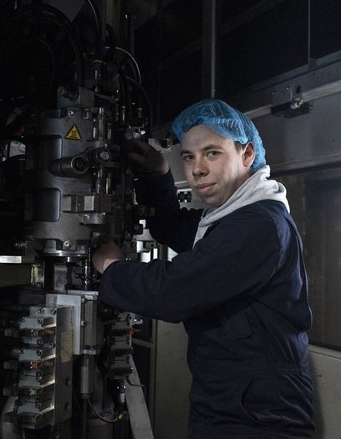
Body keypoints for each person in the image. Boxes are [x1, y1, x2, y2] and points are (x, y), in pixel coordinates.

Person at [92, 98, 314, 438]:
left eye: (212, 153)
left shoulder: (259, 225)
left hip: (259, 414)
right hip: (233, 397)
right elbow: (169, 224)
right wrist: (159, 171)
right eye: (187, 156)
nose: (196, 169)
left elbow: (174, 291)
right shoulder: (228, 219)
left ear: (247, 155)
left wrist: (112, 268)